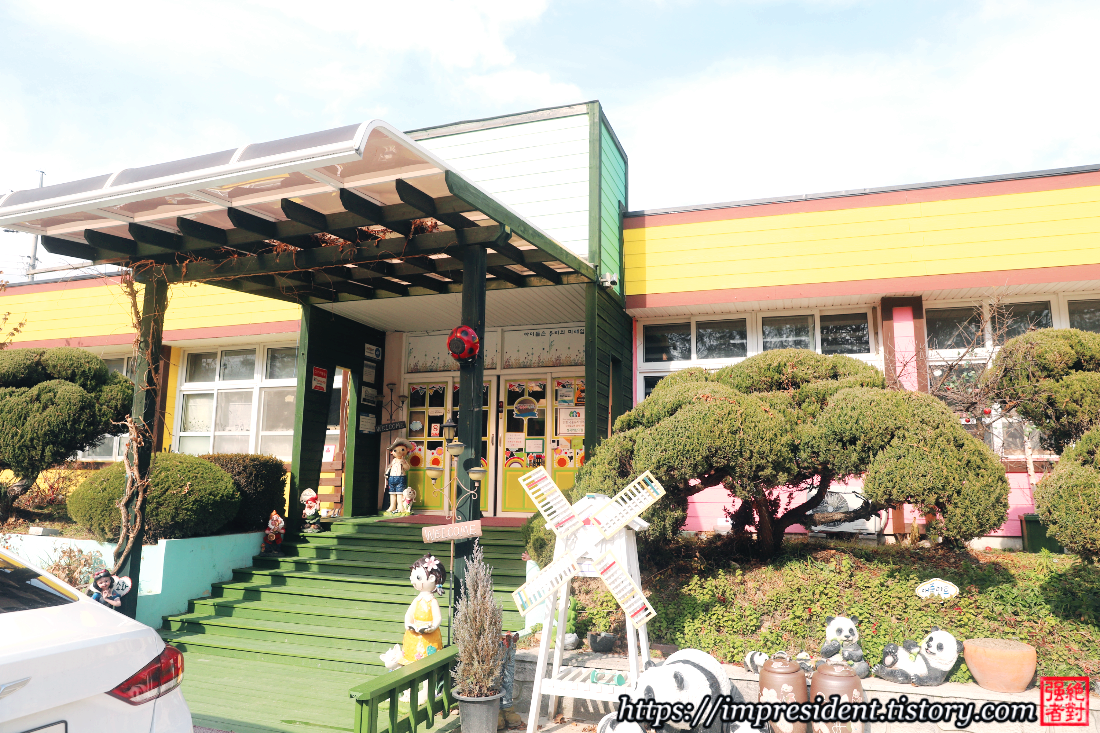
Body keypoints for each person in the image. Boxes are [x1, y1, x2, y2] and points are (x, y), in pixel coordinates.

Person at [401, 554, 445, 664]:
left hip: (429, 636)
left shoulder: (432, 601)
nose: (413, 581)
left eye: (418, 578)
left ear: (432, 578)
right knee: (410, 661)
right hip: (413, 635)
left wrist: (433, 627)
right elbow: (409, 614)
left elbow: (438, 617)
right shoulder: (417, 600)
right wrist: (408, 623)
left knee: (428, 661)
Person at [385, 438, 414, 514]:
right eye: (395, 450)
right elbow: (390, 468)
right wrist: (387, 474)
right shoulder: (393, 461)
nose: (398, 452)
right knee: (392, 493)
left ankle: (400, 506)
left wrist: (404, 464)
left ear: (406, 450)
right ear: (392, 452)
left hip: (400, 477)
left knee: (400, 493)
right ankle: (392, 506)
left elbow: (407, 468)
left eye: (402, 450)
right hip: (392, 478)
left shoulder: (403, 460)